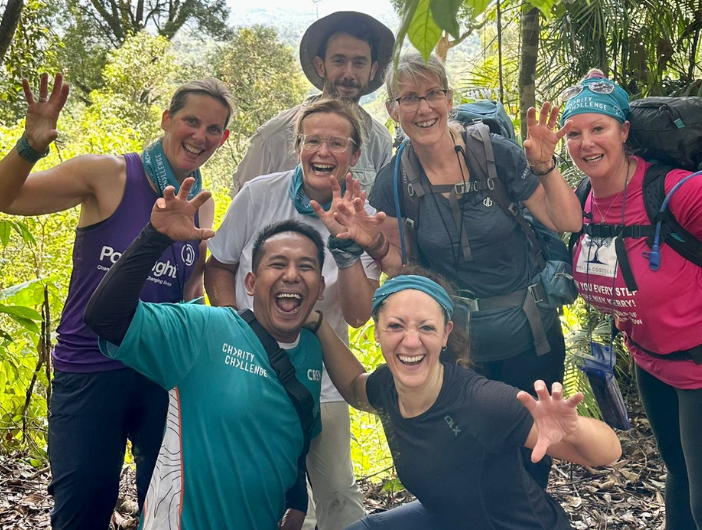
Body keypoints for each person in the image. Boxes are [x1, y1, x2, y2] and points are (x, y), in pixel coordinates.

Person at [0, 73, 231, 530]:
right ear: (166, 120)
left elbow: (188, 294)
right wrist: (30, 145)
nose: (200, 136)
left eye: (213, 129)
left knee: (165, 512)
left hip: (160, 377)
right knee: (82, 511)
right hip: (88, 369)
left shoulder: (202, 205)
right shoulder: (109, 173)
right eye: (191, 121)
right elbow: (1, 197)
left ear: (224, 138)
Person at [326, 52, 583, 488]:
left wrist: (545, 165)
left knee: (533, 457)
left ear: (448, 98)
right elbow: (405, 272)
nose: (423, 108)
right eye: (409, 99)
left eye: (432, 94)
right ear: (393, 110)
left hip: (530, 336)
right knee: (475, 458)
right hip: (462, 348)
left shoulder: (496, 155)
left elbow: (568, 221)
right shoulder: (394, 180)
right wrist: (369, 240)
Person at [561, 70, 702, 529]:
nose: (586, 142)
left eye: (598, 128)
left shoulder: (675, 190)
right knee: (681, 480)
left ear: (624, 131)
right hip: (654, 363)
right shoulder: (584, 198)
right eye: (574, 132)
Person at [84, 178, 326, 529]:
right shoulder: (204, 329)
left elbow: (296, 440)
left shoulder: (312, 352)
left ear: (320, 288)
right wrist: (155, 237)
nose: (292, 274)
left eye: (306, 266)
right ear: (250, 283)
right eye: (277, 264)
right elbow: (105, 317)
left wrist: (296, 501)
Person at [305, 267, 621, 530]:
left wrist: (575, 429)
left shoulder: (482, 402)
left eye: (426, 328)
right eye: (395, 326)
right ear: (377, 332)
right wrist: (319, 325)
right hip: (446, 518)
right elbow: (353, 388)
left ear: (445, 334)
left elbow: (608, 452)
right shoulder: (386, 386)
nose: (411, 341)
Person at [205, 97, 378, 530]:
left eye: (337, 143)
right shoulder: (259, 194)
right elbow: (220, 265)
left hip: (322, 373)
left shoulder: (364, 215)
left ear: (355, 155)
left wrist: (348, 246)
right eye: (312, 140)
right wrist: (237, 326)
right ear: (297, 146)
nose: (323, 152)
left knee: (338, 494)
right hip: (249, 365)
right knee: (262, 489)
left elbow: (358, 315)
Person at [232, 11, 394, 195]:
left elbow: (379, 210)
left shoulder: (379, 141)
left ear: (373, 70)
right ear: (320, 66)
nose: (349, 73)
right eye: (339, 61)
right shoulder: (273, 136)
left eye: (359, 63)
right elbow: (244, 206)